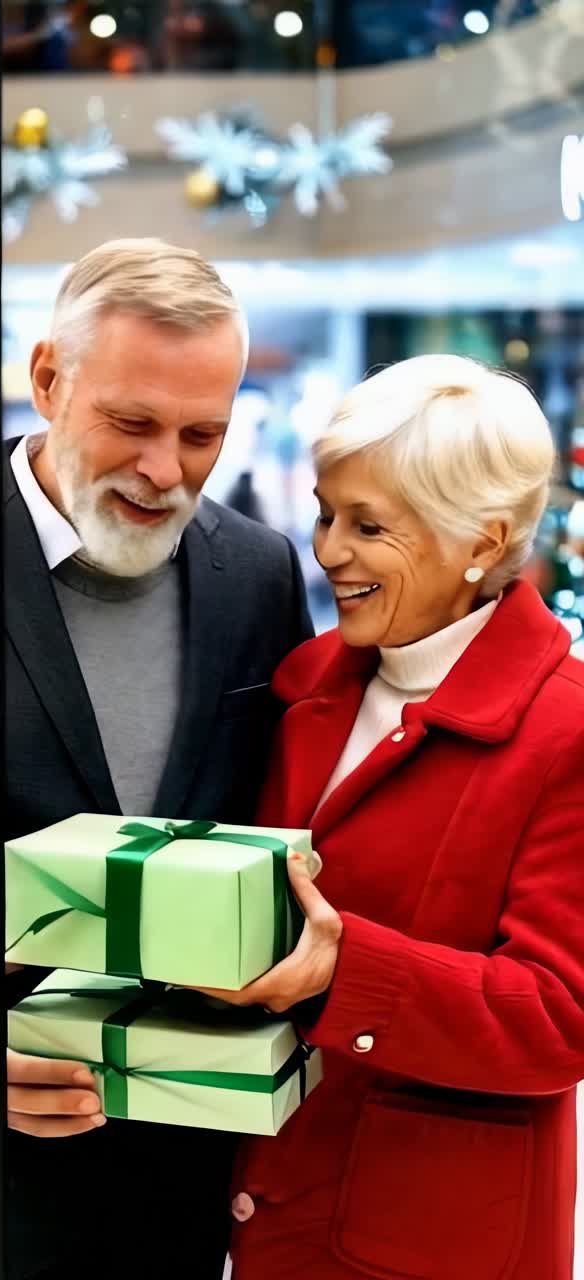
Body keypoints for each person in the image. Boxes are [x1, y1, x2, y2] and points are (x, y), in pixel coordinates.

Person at [0, 237, 313, 1280]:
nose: (166, 470)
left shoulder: (257, 571)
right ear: (47, 379)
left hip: (201, 1171)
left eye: (202, 433)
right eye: (133, 423)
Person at [194, 354, 584, 1280]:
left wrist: (347, 973)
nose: (327, 551)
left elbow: (561, 1018)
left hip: (436, 1240)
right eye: (326, 514)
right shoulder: (305, 684)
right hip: (275, 1210)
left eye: (368, 526)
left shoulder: (565, 732)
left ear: (482, 541)